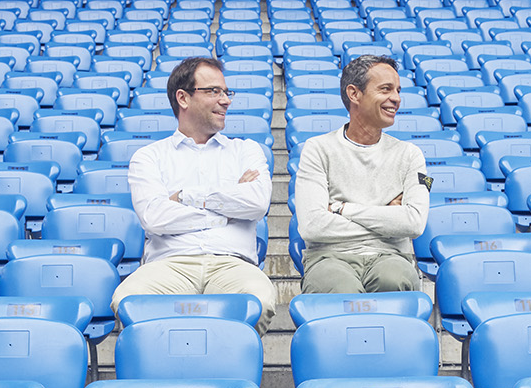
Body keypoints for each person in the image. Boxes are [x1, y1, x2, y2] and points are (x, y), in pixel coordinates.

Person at [110, 55, 277, 334]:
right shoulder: (149, 157)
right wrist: (226, 211)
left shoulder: (246, 150)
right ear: (183, 98)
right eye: (213, 91)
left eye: (226, 92)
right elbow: (155, 217)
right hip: (170, 264)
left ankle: (229, 377)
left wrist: (186, 196)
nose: (226, 100)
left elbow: (257, 203)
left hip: (231, 263)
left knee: (258, 300)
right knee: (128, 299)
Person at [292, 54, 429, 294]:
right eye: (386, 89)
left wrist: (341, 209)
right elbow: (312, 226)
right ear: (354, 93)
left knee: (394, 280)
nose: (395, 98)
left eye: (398, 90)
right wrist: (387, 216)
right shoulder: (317, 149)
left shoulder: (410, 154)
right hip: (329, 257)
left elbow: (414, 223)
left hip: (391, 256)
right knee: (338, 288)